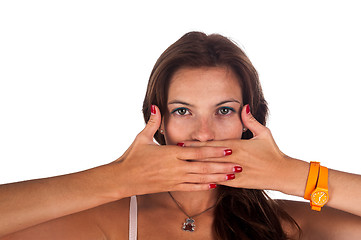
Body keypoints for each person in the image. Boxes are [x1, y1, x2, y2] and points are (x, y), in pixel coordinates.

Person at [1, 31, 361, 240]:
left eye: (223, 110)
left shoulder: (284, 224)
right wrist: (116, 179)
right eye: (182, 111)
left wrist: (293, 175)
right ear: (157, 121)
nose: (203, 135)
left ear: (250, 121)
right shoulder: (113, 220)